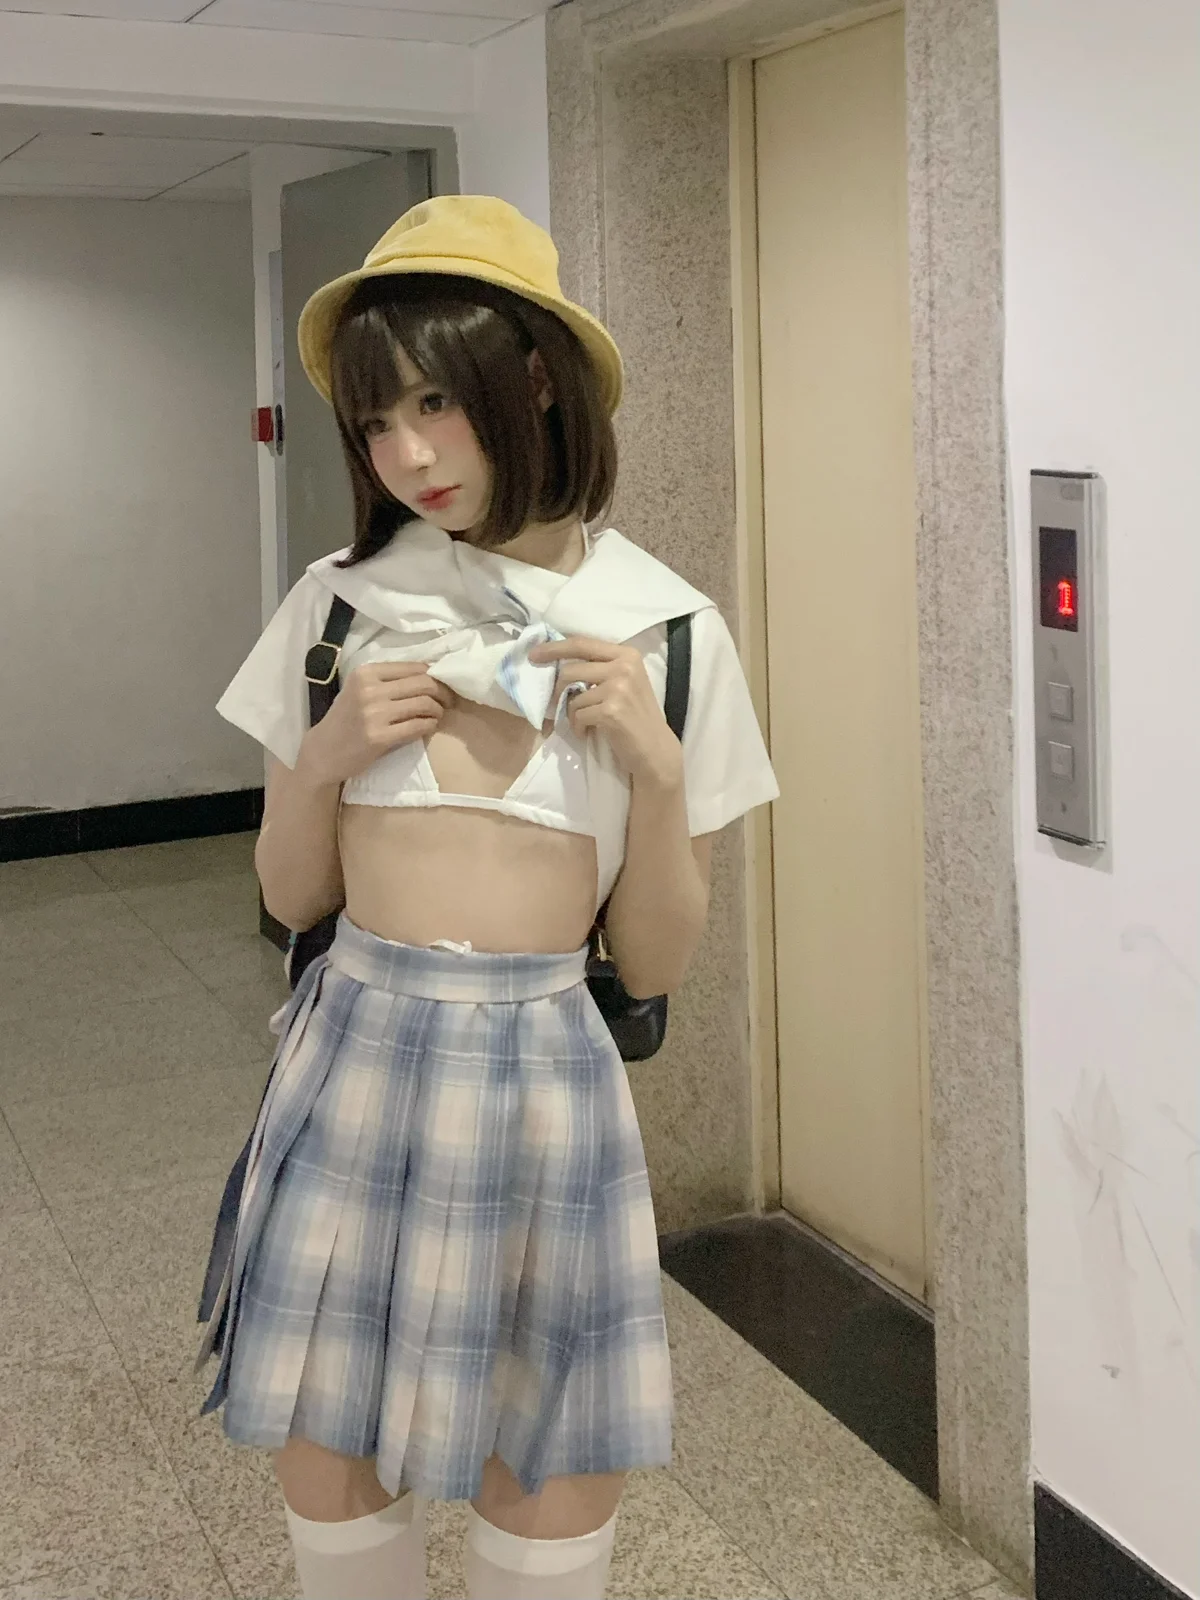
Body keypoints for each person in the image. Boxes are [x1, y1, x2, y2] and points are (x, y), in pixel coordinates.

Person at [195, 195, 777, 1600]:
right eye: (375, 423)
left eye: (436, 404)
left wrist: (655, 776)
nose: (406, 455)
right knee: (333, 1463)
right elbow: (289, 892)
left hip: (545, 1073)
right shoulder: (338, 609)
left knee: (554, 1469)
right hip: (354, 1048)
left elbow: (653, 966)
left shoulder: (665, 630)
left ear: (535, 383)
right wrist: (325, 759)